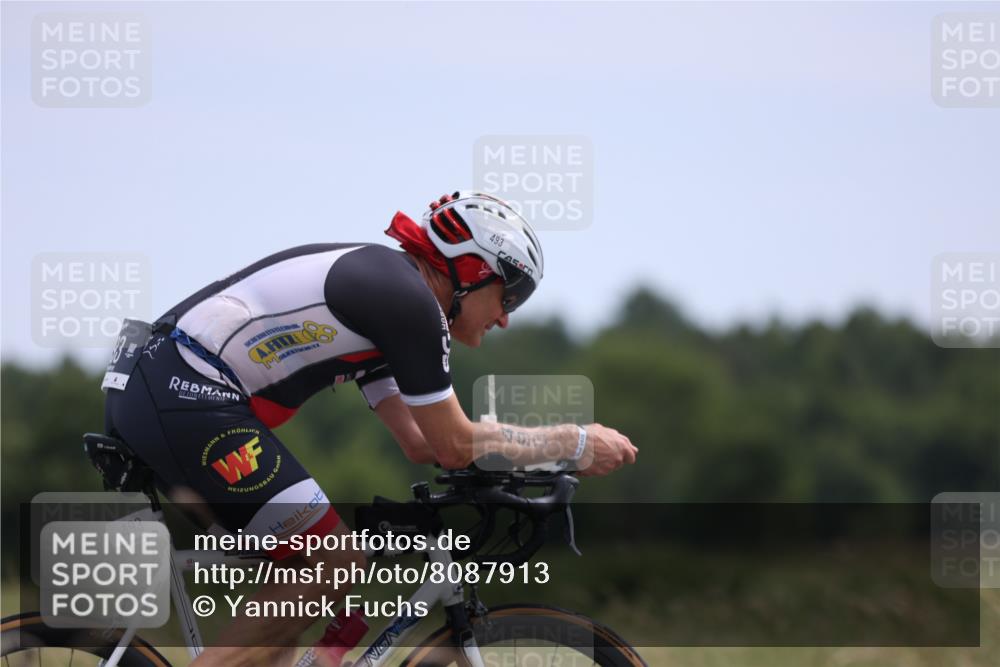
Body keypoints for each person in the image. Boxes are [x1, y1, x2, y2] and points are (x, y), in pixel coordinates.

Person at [103, 191, 638, 666]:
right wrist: (574, 441)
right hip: (185, 391)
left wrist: (529, 461)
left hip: (163, 385)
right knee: (334, 561)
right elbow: (454, 445)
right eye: (511, 295)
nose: (506, 319)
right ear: (473, 271)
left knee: (298, 600)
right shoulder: (407, 302)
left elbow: (422, 442)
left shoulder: (392, 303)